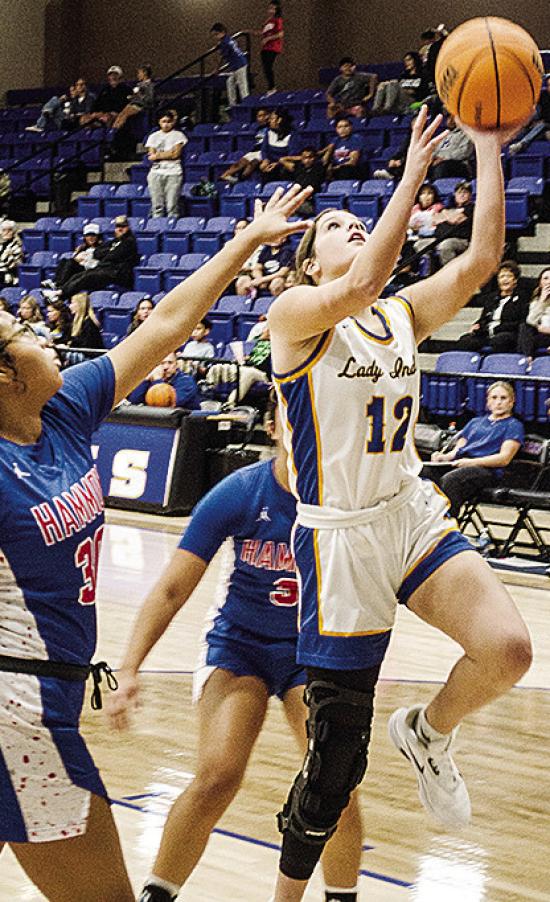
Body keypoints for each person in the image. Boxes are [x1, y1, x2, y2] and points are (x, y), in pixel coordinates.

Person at [0, 183, 312, 901]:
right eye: (28, 340)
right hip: (18, 711)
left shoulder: (68, 407)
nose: (48, 341)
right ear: (6, 374)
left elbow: (169, 322)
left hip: (45, 697)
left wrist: (245, 242)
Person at [266, 108, 532, 902]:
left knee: (509, 651)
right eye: (337, 226)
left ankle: (428, 732)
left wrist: (484, 149)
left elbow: (483, 258)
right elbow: (362, 281)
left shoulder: (402, 315)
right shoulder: (295, 320)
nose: (351, 229)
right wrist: (414, 172)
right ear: (311, 266)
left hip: (407, 511)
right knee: (334, 766)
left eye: (359, 220)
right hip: (340, 540)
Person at [107, 396, 364, 902]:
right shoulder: (243, 492)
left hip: (313, 656)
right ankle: (157, 894)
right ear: (273, 427)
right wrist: (130, 666)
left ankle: (341, 895)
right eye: (294, 417)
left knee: (337, 788)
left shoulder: (350, 500)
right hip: (239, 646)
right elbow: (170, 589)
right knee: (218, 776)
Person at [423, 381, 524, 518]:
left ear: (512, 402)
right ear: (488, 401)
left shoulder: (513, 425)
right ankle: (425, 520)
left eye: (503, 398)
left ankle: (448, 527)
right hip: (461, 464)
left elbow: (504, 459)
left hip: (486, 470)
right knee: (424, 472)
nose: (498, 402)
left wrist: (472, 462)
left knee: (451, 480)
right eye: (494, 398)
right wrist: (442, 457)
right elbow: (457, 450)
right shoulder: (475, 422)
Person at [457, 259, 529, 353]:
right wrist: (476, 325)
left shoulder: (521, 298)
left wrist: (495, 328)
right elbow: (484, 318)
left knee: (499, 341)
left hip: (507, 333)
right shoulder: (492, 297)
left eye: (509, 276)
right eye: (502, 277)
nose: (505, 279)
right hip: (487, 333)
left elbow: (520, 322)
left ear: (515, 280)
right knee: (465, 340)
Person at [59, 215, 139, 297]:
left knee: (88, 276)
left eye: (123, 226)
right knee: (78, 274)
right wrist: (108, 251)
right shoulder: (115, 241)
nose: (120, 229)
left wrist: (107, 253)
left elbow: (113, 256)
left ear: (128, 227)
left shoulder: (129, 242)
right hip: (105, 270)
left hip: (116, 274)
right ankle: (60, 289)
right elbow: (97, 252)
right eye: (117, 226)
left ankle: (61, 294)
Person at [145, 110, 187, 218]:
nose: (166, 124)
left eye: (169, 121)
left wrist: (158, 155)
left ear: (173, 122)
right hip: (156, 171)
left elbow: (175, 154)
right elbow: (151, 155)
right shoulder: (153, 136)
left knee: (172, 205)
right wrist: (168, 153)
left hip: (174, 171)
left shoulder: (178, 135)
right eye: (163, 121)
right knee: (157, 205)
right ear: (159, 122)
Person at [127, 350, 201, 409]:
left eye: (170, 363)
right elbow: (134, 401)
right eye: (161, 363)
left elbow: (164, 406)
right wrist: (145, 380)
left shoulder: (186, 382)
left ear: (176, 365)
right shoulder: (152, 378)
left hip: (185, 424)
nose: (166, 367)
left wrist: (157, 381)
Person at [47, 222, 105, 295]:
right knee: (64, 260)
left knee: (71, 262)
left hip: (89, 273)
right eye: (88, 235)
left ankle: (59, 285)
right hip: (78, 272)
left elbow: (98, 265)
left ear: (98, 236)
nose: (90, 238)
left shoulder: (102, 249)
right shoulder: (82, 248)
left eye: (93, 235)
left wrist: (85, 259)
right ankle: (55, 282)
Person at [25, 78, 95, 133]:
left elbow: (88, 112)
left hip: (78, 121)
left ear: (85, 86)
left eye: (81, 85)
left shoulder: (90, 97)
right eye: (77, 85)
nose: (78, 87)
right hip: (67, 120)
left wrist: (75, 115)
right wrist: (61, 101)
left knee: (55, 101)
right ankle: (43, 119)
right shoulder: (74, 100)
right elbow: (70, 111)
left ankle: (43, 119)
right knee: (55, 100)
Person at [219, 108, 270, 184]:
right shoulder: (258, 129)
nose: (261, 118)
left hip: (264, 151)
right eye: (259, 116)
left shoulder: (271, 128)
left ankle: (239, 180)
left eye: (263, 115)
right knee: (241, 162)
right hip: (255, 151)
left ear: (268, 116)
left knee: (253, 163)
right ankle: (225, 176)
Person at [431, 180, 475, 267]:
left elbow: (455, 219)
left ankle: (449, 273)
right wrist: (447, 215)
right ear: (455, 194)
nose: (462, 195)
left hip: (462, 240)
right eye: (459, 192)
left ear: (470, 195)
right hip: (440, 238)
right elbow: (435, 220)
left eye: (465, 192)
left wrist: (444, 216)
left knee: (446, 245)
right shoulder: (448, 207)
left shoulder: (472, 208)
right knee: (420, 244)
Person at [371, 51, 427, 115]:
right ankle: (375, 108)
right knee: (383, 84)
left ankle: (387, 108)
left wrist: (410, 91)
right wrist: (384, 84)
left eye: (409, 60)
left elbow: (423, 91)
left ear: (415, 60)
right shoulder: (404, 75)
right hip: (400, 99)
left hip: (413, 100)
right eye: (405, 61)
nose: (407, 63)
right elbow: (397, 87)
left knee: (393, 82)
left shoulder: (423, 74)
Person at [210, 23, 249, 107]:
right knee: (230, 82)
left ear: (222, 32)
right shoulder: (228, 39)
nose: (215, 37)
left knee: (242, 85)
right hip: (238, 64)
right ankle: (233, 104)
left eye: (216, 34)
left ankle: (246, 104)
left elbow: (221, 57)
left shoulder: (225, 43)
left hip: (239, 65)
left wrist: (217, 69)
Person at [279, 147, 326, 216]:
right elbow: (282, 160)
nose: (307, 160)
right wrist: (299, 158)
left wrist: (319, 154)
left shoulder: (319, 168)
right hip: (296, 200)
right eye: (305, 158)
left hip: (310, 202)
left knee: (289, 207)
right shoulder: (298, 168)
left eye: (310, 157)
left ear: (315, 158)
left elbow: (331, 147)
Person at [517, 267, 550, 360]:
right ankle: (528, 359)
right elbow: (531, 321)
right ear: (540, 283)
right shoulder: (536, 301)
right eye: (545, 278)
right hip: (542, 336)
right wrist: (542, 301)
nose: (549, 282)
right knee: (524, 327)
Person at [428, 113, 473, 180]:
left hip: (456, 163)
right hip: (438, 161)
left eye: (453, 118)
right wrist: (431, 158)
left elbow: (464, 152)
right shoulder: (446, 134)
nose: (450, 121)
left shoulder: (466, 134)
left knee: (441, 168)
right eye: (449, 118)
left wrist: (443, 158)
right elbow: (436, 149)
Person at [64, 292, 104, 365]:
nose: (70, 306)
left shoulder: (90, 324)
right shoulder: (74, 323)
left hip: (91, 359)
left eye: (72, 303)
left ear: (80, 305)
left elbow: (86, 346)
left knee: (66, 355)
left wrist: (70, 344)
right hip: (81, 355)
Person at [112, 64, 154, 132]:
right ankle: (112, 130)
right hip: (134, 103)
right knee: (121, 114)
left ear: (145, 73)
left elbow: (149, 99)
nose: (138, 75)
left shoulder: (150, 85)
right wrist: (132, 97)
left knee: (125, 115)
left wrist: (139, 94)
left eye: (139, 73)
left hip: (141, 105)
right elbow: (136, 97)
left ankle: (115, 131)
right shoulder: (139, 84)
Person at [321, 117, 364, 182]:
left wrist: (335, 168)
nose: (343, 129)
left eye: (346, 126)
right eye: (340, 127)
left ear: (351, 127)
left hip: (351, 169)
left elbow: (353, 162)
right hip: (337, 168)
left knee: (345, 170)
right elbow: (324, 156)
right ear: (336, 129)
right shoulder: (335, 140)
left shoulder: (356, 139)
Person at [259, 109, 296, 181]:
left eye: (272, 119)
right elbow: (264, 149)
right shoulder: (269, 132)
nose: (269, 121)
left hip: (283, 164)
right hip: (270, 163)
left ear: (279, 120)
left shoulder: (292, 135)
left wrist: (277, 163)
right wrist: (265, 160)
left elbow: (291, 155)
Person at [261, 2, 284, 94]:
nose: (270, 10)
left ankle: (272, 87)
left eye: (273, 9)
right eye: (270, 8)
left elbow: (280, 34)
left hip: (273, 47)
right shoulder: (268, 21)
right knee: (265, 68)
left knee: (268, 66)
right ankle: (270, 86)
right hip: (265, 47)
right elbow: (263, 32)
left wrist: (268, 38)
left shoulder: (277, 20)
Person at [0, 220, 23, 286]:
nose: (6, 232)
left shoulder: (17, 246)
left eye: (9, 230)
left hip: (9, 275)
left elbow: (12, 265)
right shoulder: (1, 245)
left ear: (14, 232)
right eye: (4, 230)